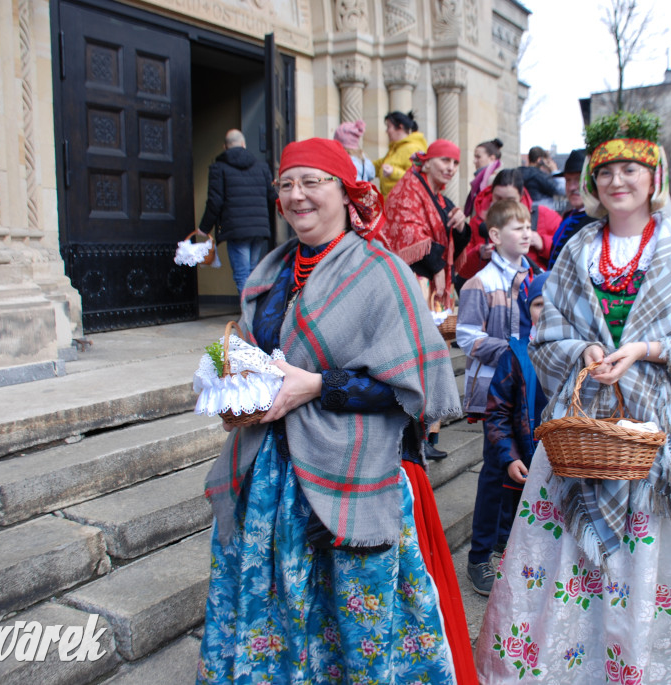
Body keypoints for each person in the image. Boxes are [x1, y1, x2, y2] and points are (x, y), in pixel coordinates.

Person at [475, 111, 671, 683]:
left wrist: (648, 349)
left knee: (656, 560)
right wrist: (585, 354)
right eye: (605, 172)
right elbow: (548, 337)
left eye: (630, 169)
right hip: (587, 437)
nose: (617, 181)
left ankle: (649, 668)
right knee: (572, 563)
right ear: (593, 184)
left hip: (665, 439)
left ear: (655, 179)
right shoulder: (577, 252)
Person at [197, 137, 477, 684]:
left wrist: (319, 386)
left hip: (351, 472)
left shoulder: (382, 272)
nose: (297, 196)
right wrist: (224, 376)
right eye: (286, 185)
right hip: (271, 476)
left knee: (352, 618)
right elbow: (264, 356)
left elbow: (415, 384)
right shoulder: (269, 275)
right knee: (279, 611)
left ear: (347, 192)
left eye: (312, 182)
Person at [456, 199, 540, 596]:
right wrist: (510, 351)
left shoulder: (537, 276)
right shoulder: (481, 283)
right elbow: (467, 336)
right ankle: (479, 557)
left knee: (522, 469)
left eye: (528, 227)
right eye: (517, 228)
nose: (526, 233)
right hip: (495, 389)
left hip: (530, 389)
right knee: (495, 472)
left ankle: (510, 545)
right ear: (494, 236)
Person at [381, 139, 470, 459]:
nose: (450, 167)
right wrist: (437, 268)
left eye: (455, 163)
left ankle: (429, 436)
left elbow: (456, 241)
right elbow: (407, 234)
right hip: (412, 287)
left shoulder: (441, 199)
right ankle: (411, 435)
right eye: (445, 160)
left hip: (433, 290)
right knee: (415, 359)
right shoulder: (408, 189)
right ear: (428, 161)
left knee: (435, 358)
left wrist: (461, 226)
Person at [482, 270, 550, 570]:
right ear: (526, 308)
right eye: (537, 304)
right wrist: (509, 457)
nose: (546, 311)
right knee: (518, 531)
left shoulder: (582, 353)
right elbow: (497, 413)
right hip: (526, 460)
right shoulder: (516, 355)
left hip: (566, 462)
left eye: (554, 303)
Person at [197, 129, 277, 294]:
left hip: (236, 228)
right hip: (259, 227)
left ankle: (249, 318)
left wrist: (204, 227)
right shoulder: (262, 167)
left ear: (225, 147)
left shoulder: (218, 168)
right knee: (253, 272)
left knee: (242, 274)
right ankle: (253, 314)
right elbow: (272, 196)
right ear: (243, 144)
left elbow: (215, 200)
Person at [457, 169, 560, 281]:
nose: (503, 205)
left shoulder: (545, 216)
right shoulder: (478, 222)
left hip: (532, 292)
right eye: (498, 198)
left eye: (510, 200)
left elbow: (566, 256)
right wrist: (479, 254)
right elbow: (462, 269)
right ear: (491, 193)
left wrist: (543, 243)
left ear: (521, 196)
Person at [547, 149, 592, 269]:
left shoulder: (597, 221)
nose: (572, 187)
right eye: (568, 180)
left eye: (578, 179)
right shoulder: (569, 216)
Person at [374, 111, 428, 196]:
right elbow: (378, 165)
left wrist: (393, 172)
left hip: (404, 204)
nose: (387, 131)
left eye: (389, 127)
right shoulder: (396, 149)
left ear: (400, 127)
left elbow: (419, 179)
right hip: (392, 203)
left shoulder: (413, 149)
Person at [464, 138, 504, 216]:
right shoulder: (480, 180)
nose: (474, 161)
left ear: (492, 159)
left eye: (478, 157)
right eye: (475, 157)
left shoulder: (494, 179)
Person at [519, 146, 563, 210]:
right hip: (541, 210)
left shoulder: (518, 173)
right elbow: (560, 191)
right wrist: (554, 170)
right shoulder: (540, 175)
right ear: (539, 160)